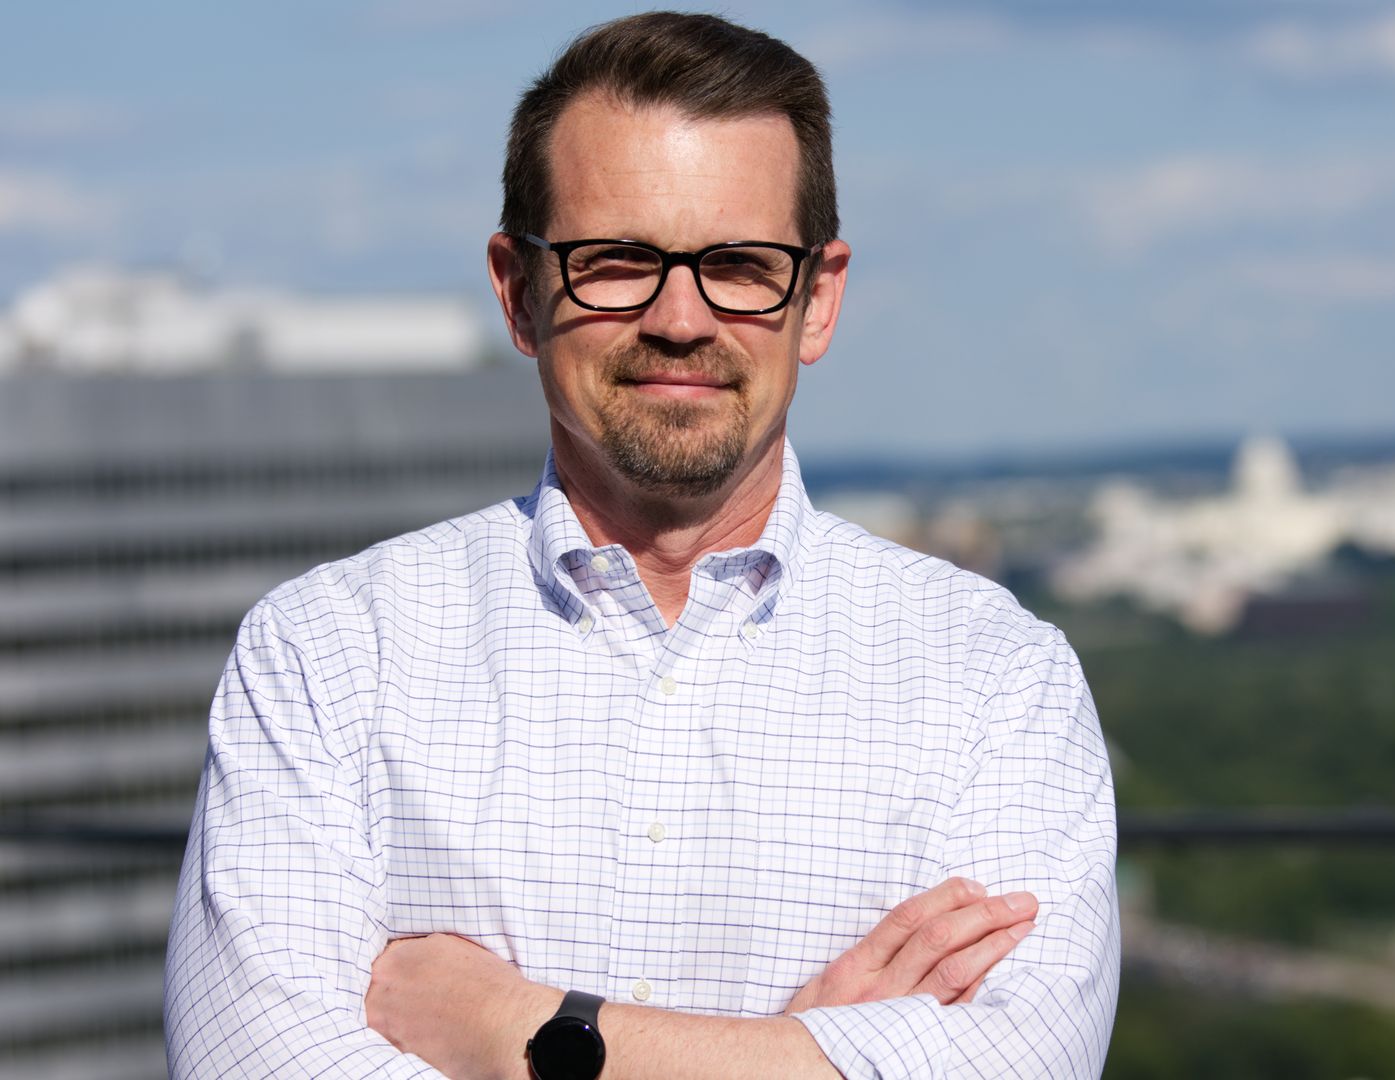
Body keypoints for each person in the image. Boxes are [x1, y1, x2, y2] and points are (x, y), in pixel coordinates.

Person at [162, 12, 1119, 1079]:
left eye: (740, 264)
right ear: (519, 292)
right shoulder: (328, 656)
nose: (679, 318)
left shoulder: (995, 676)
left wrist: (516, 1030)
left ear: (817, 298)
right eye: (615, 260)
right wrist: (802, 1055)